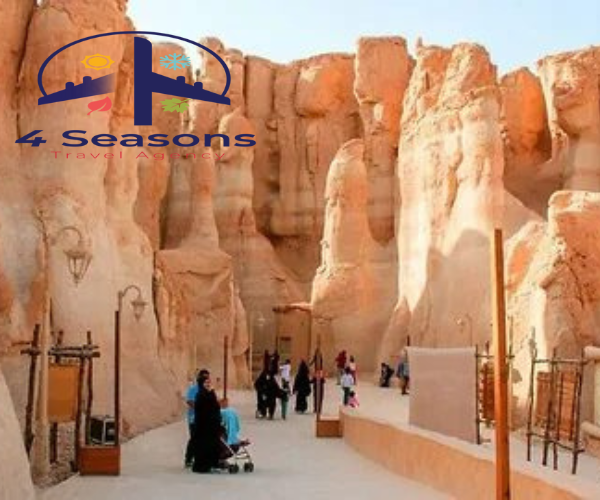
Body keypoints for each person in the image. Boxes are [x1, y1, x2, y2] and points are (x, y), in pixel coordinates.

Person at [192, 377, 223, 473]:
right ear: (201, 384)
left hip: (211, 426)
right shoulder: (201, 395)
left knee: (212, 445)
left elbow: (216, 406)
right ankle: (202, 466)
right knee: (204, 446)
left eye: (209, 382)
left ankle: (211, 464)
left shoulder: (209, 394)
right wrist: (212, 393)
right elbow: (206, 408)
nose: (208, 384)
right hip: (203, 426)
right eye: (206, 382)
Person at [184, 369, 209, 468]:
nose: (206, 379)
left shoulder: (207, 389)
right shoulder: (193, 389)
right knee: (194, 439)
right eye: (204, 377)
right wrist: (200, 408)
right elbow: (189, 401)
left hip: (205, 419)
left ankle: (200, 458)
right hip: (193, 419)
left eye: (207, 377)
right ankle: (188, 458)